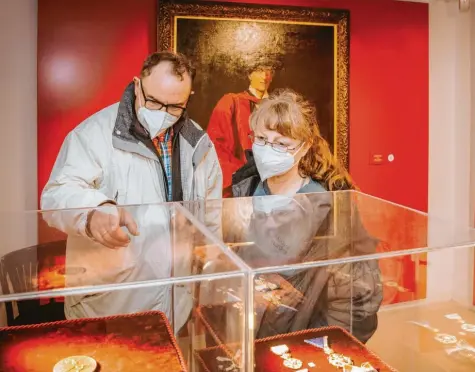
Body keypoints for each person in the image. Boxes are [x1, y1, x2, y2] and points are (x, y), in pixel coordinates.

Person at [41, 51, 222, 331]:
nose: (162, 114)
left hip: (175, 306)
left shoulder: (199, 144)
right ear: (137, 85)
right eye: (152, 101)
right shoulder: (94, 133)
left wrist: (209, 279)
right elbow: (55, 195)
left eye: (174, 107)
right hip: (109, 306)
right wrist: (93, 211)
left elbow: (210, 220)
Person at [226, 89, 382, 343]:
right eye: (262, 139)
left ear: (304, 146)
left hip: (298, 333)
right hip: (247, 328)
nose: (268, 150)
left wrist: (322, 342)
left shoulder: (327, 206)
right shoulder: (246, 189)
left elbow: (356, 293)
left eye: (282, 143)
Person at [207, 64, 273, 196]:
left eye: (269, 71)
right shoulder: (230, 102)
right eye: (259, 70)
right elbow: (216, 145)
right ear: (249, 74)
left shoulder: (280, 108)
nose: (264, 76)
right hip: (241, 181)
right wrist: (242, 175)